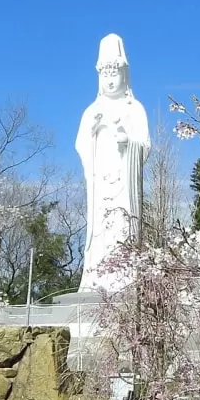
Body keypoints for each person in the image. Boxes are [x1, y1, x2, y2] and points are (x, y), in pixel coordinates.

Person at [76, 33, 151, 293]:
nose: (110, 80)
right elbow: (80, 146)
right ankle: (95, 281)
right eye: (105, 74)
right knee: (100, 232)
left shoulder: (135, 108)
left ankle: (126, 280)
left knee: (123, 228)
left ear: (125, 75)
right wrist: (91, 134)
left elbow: (145, 145)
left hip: (124, 187)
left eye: (114, 73)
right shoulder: (90, 111)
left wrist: (127, 143)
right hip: (100, 188)